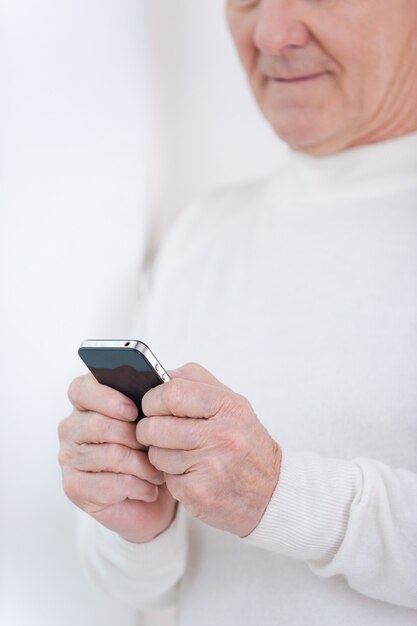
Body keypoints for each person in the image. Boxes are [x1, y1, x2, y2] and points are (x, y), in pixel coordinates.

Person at [58, 1, 417, 624]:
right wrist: (138, 528)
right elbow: (139, 597)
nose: (272, 35)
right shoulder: (200, 233)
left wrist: (279, 496)